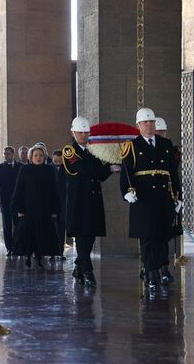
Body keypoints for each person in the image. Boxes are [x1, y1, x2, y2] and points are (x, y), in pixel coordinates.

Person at [120, 108, 181, 291]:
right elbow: (126, 172)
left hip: (163, 197)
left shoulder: (165, 144)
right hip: (143, 197)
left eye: (152, 122)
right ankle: (150, 271)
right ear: (138, 125)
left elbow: (172, 173)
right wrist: (126, 192)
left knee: (162, 236)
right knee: (147, 238)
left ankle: (162, 267)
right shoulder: (132, 146)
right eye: (145, 122)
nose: (149, 125)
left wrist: (178, 196)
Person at [63, 116, 119, 286]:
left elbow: (100, 174)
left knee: (91, 235)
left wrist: (109, 168)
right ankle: (87, 271)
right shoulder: (69, 151)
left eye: (86, 132)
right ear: (73, 133)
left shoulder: (91, 151)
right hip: (79, 201)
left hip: (93, 200)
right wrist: (107, 168)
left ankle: (79, 267)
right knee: (81, 236)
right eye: (80, 132)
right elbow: (84, 168)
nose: (83, 135)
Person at [11, 144, 62, 268]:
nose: (38, 158)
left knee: (43, 233)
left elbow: (54, 190)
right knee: (29, 233)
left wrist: (55, 209)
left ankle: (39, 257)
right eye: (35, 155)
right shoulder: (25, 169)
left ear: (44, 157)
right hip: (28, 208)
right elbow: (19, 190)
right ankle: (28, 256)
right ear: (31, 157)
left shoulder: (49, 170)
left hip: (44, 208)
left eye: (40, 155)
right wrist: (19, 208)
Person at [0, 146, 22, 256]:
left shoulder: (21, 167)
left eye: (8, 153)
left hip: (18, 201)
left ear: (13, 154)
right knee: (7, 225)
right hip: (5, 201)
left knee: (18, 224)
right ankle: (9, 247)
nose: (6, 155)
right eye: (4, 154)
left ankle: (17, 246)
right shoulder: (0, 168)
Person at [52, 149, 67, 257]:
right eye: (55, 161)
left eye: (59, 161)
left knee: (61, 230)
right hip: (51, 205)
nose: (57, 163)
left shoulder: (67, 169)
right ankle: (52, 252)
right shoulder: (48, 168)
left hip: (63, 205)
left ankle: (60, 252)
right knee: (52, 229)